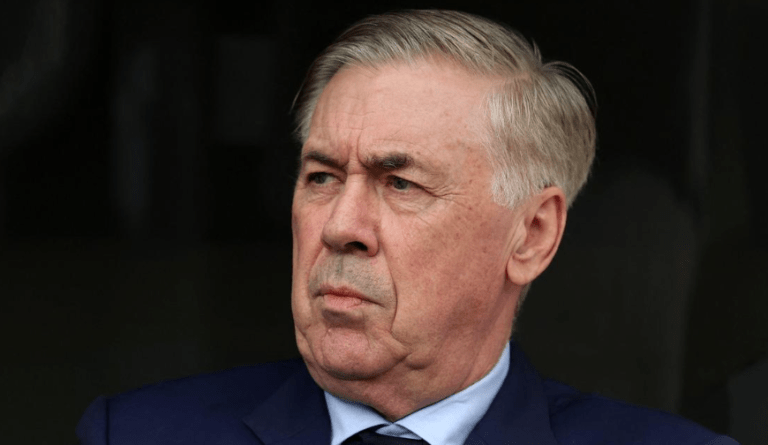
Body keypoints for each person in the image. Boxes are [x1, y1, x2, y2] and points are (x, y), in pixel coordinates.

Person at [77, 10, 739, 445]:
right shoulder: (136, 434)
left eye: (400, 183)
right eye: (322, 177)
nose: (340, 226)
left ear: (532, 234)